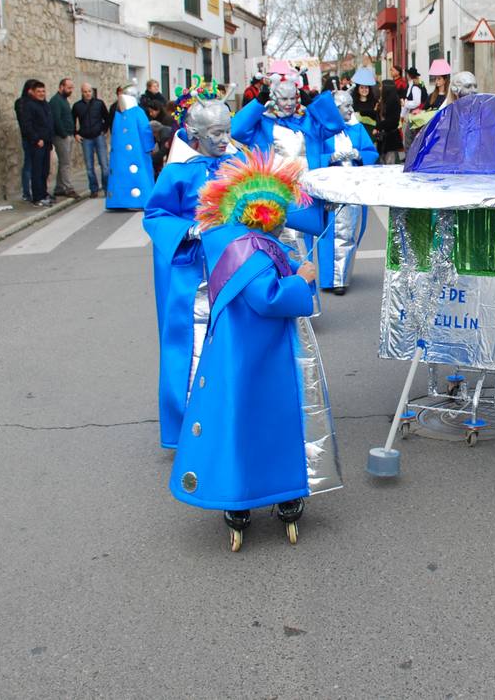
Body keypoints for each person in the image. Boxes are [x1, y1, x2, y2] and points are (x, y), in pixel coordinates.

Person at [169, 151, 343, 552]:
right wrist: (300, 280)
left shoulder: (227, 239)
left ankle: (239, 492)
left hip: (233, 349)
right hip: (262, 353)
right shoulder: (251, 247)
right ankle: (274, 490)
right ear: (268, 216)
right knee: (270, 417)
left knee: (234, 416)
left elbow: (256, 277)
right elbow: (268, 298)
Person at [143, 100, 244, 450]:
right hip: (195, 272)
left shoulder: (239, 164)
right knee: (192, 345)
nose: (223, 139)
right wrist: (190, 231)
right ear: (194, 134)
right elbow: (155, 215)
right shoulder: (177, 172)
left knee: (236, 340)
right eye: (216, 133)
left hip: (235, 265)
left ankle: (233, 416)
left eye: (227, 131)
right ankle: (189, 425)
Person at [230, 74, 344, 257]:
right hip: (273, 195)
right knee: (283, 248)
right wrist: (258, 103)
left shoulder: (307, 121)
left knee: (303, 249)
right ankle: (291, 284)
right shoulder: (263, 124)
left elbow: (335, 125)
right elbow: (236, 130)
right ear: (274, 98)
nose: (289, 103)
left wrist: (315, 103)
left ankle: (303, 283)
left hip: (305, 195)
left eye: (292, 98)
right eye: (284, 98)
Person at [314, 91, 380, 295]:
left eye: (351, 105)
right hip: (330, 188)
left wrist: (359, 154)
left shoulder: (357, 128)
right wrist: (330, 157)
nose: (351, 110)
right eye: (347, 106)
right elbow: (312, 154)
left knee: (349, 231)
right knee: (329, 233)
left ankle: (341, 276)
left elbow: (371, 152)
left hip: (353, 187)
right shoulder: (322, 130)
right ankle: (331, 278)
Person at [105, 87, 155, 210]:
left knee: (121, 174)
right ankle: (140, 200)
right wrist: (149, 146)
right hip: (137, 153)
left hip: (120, 155)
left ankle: (118, 201)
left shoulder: (119, 114)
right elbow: (145, 131)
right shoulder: (138, 112)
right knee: (139, 174)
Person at [15, 79, 55, 206]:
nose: (42, 93)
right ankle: (37, 197)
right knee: (36, 171)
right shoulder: (28, 105)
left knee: (45, 170)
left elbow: (48, 123)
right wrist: (37, 139)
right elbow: (27, 125)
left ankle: (43, 193)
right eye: (39, 91)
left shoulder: (45, 105)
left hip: (47, 142)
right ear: (32, 92)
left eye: (43, 91)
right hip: (37, 143)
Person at [72, 82, 110, 198]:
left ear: (92, 92)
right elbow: (72, 120)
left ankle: (106, 188)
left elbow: (107, 118)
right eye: (85, 92)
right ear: (82, 93)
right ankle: (93, 189)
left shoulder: (99, 104)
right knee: (89, 167)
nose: (87, 94)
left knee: (104, 165)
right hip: (85, 138)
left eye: (89, 91)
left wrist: (104, 130)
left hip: (98, 136)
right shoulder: (77, 106)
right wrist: (75, 134)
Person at [377, 72, 405, 164]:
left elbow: (392, 121)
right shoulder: (385, 101)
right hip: (386, 137)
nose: (380, 88)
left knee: (390, 164)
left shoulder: (393, 102)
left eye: (382, 86)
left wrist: (378, 126)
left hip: (391, 138)